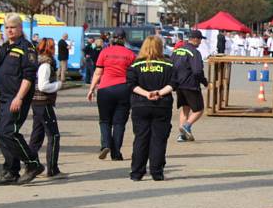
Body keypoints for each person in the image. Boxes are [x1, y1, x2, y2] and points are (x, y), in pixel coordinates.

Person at [0, 13, 44, 185]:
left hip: (17, 98)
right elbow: (8, 73)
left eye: (13, 27)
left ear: (20, 28)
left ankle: (33, 164)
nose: (9, 30)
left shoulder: (26, 47)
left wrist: (19, 97)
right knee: (2, 135)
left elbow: (28, 77)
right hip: (4, 97)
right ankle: (11, 171)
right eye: (7, 27)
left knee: (9, 132)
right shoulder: (4, 47)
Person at [127, 36, 177, 181]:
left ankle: (137, 172)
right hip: (162, 104)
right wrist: (159, 93)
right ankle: (157, 172)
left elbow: (131, 84)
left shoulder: (136, 65)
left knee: (141, 138)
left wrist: (147, 94)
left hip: (140, 104)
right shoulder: (168, 65)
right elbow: (174, 83)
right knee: (159, 139)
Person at [86, 28, 135, 161]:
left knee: (105, 120)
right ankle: (116, 152)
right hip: (123, 89)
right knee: (119, 123)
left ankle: (105, 145)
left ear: (112, 38)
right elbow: (133, 75)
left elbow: (98, 73)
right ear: (124, 39)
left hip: (105, 89)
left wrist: (91, 89)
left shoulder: (105, 52)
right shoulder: (130, 54)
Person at [29, 38, 63, 177]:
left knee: (37, 136)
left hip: (36, 103)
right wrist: (58, 85)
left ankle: (31, 164)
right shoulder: (46, 64)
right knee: (54, 136)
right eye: (53, 46)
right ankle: (53, 169)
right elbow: (43, 86)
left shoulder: (37, 61)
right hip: (43, 102)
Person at [172, 30, 208, 142]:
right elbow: (197, 71)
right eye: (200, 39)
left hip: (179, 85)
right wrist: (205, 82)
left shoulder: (177, 51)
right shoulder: (194, 52)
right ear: (195, 39)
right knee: (199, 109)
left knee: (185, 108)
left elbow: (171, 66)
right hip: (191, 85)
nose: (201, 42)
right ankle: (186, 126)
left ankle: (182, 136)